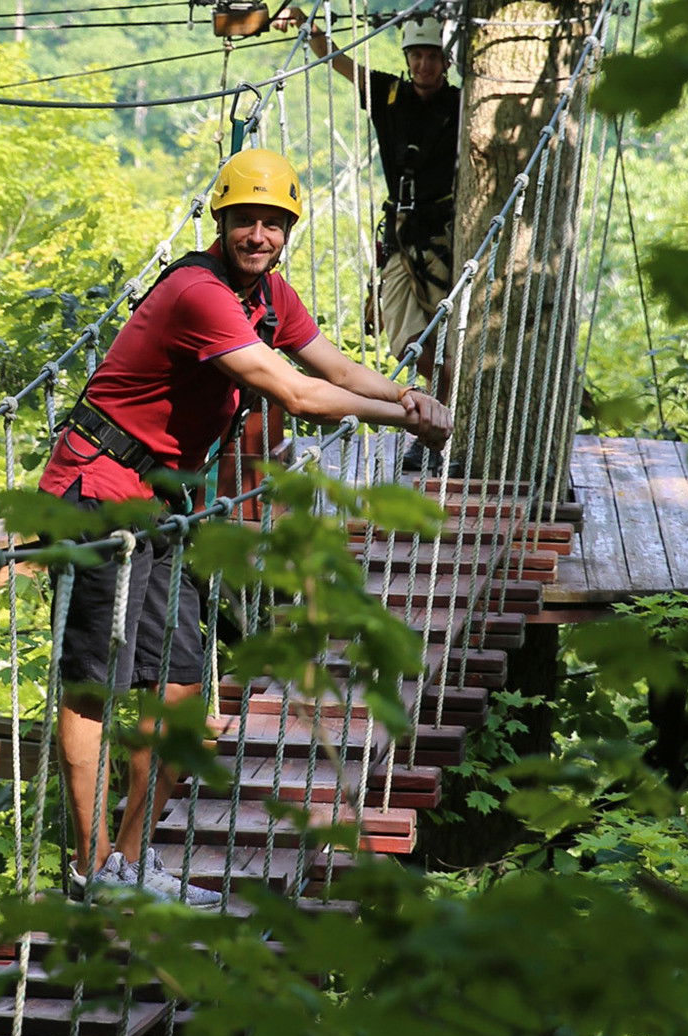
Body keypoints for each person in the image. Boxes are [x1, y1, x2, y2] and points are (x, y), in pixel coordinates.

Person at [36, 148, 451, 905]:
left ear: (288, 228)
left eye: (273, 221)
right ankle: (94, 871)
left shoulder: (267, 294)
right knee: (95, 691)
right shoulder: (198, 293)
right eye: (244, 219)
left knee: (186, 700)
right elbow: (296, 393)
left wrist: (409, 397)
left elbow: (335, 366)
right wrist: (405, 420)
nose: (258, 233)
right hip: (92, 490)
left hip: (159, 505)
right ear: (220, 221)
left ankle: (125, 871)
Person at [276, 8, 461, 467]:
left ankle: (442, 432)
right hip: (401, 235)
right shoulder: (388, 94)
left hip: (445, 235)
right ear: (406, 58)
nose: (424, 65)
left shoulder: (462, 104)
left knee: (448, 344)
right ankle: (439, 418)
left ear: (446, 62)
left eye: (432, 56)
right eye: (416, 56)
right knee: (408, 343)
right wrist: (310, 26)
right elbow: (336, 60)